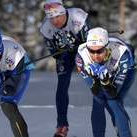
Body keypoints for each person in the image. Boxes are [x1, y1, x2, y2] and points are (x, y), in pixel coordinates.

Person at [39, 0, 89, 136]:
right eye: (51, 17)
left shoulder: (77, 17)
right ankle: (62, 125)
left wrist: (76, 46)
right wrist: (63, 49)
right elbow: (55, 54)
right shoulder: (46, 28)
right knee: (62, 86)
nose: (54, 21)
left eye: (57, 16)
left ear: (63, 12)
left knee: (95, 81)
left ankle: (114, 121)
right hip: (65, 57)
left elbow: (87, 46)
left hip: (82, 52)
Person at [75, 27, 136, 137]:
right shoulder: (81, 56)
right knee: (98, 100)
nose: (95, 56)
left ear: (107, 48)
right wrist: (95, 78)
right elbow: (97, 93)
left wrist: (104, 80)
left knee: (113, 101)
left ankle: (124, 133)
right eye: (91, 51)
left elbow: (112, 94)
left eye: (99, 51)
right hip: (106, 69)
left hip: (124, 68)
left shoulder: (121, 54)